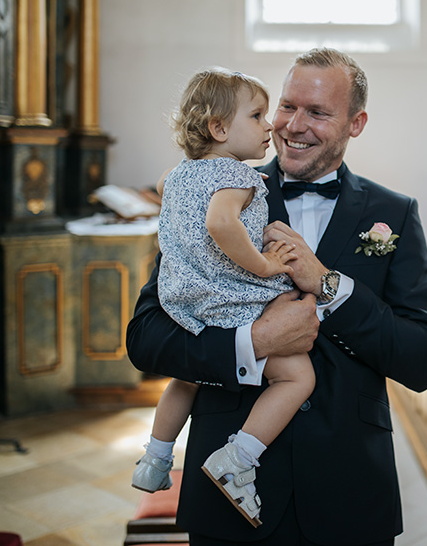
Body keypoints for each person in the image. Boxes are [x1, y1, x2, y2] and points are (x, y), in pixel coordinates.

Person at [126, 48, 427, 545]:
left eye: (318, 112)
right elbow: (147, 337)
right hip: (225, 501)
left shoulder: (394, 214)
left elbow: (424, 359)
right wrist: (252, 341)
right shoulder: (218, 186)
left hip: (349, 488)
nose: (294, 126)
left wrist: (330, 287)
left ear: (355, 123)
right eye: (287, 106)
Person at [130, 69, 314, 529]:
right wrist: (267, 265)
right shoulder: (238, 175)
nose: (270, 125)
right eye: (256, 115)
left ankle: (154, 458)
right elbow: (221, 224)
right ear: (218, 128)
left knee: (186, 379)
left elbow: (173, 208)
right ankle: (239, 456)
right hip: (234, 299)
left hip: (186, 300)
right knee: (297, 377)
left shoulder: (175, 175)